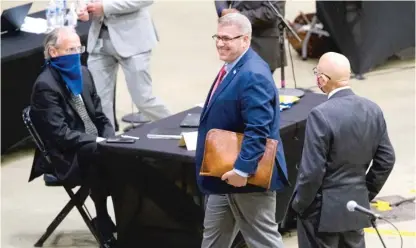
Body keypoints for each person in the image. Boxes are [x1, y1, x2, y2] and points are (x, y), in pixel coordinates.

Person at [282, 52, 396, 248]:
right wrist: (364, 193)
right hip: (355, 208)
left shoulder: (321, 114)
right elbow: (386, 160)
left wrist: (299, 205)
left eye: (317, 72)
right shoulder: (372, 109)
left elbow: (312, 172)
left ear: (323, 79)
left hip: (321, 213)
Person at [195, 13, 289, 248]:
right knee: (214, 239)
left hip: (245, 177)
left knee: (263, 240)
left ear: (245, 40)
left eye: (228, 38)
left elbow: (259, 130)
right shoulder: (233, 66)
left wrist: (242, 170)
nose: (220, 43)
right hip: (223, 173)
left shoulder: (253, 74)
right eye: (218, 36)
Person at [29, 27, 117, 247]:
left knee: (123, 154)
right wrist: (97, 143)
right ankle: (103, 219)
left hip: (93, 143)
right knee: (99, 156)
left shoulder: (84, 74)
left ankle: (127, 218)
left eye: (79, 48)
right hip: (66, 155)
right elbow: (60, 135)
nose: (77, 54)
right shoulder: (45, 86)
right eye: (71, 49)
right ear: (54, 52)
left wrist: (110, 139)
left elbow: (100, 116)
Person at [77, 0, 171, 128]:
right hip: (98, 40)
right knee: (98, 101)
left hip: (134, 40)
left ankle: (180, 130)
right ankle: (106, 142)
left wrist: (105, 7)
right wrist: (83, 7)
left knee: (143, 100)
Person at [215, 0, 286, 73]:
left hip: (261, 43)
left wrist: (239, 16)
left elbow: (271, 12)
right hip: (236, 39)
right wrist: (223, 10)